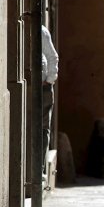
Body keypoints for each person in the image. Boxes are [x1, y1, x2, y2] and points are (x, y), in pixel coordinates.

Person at [42, 25, 59, 176]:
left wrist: (49, 81)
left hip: (43, 88)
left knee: (43, 128)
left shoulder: (41, 31)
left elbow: (52, 56)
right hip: (33, 85)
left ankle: (39, 168)